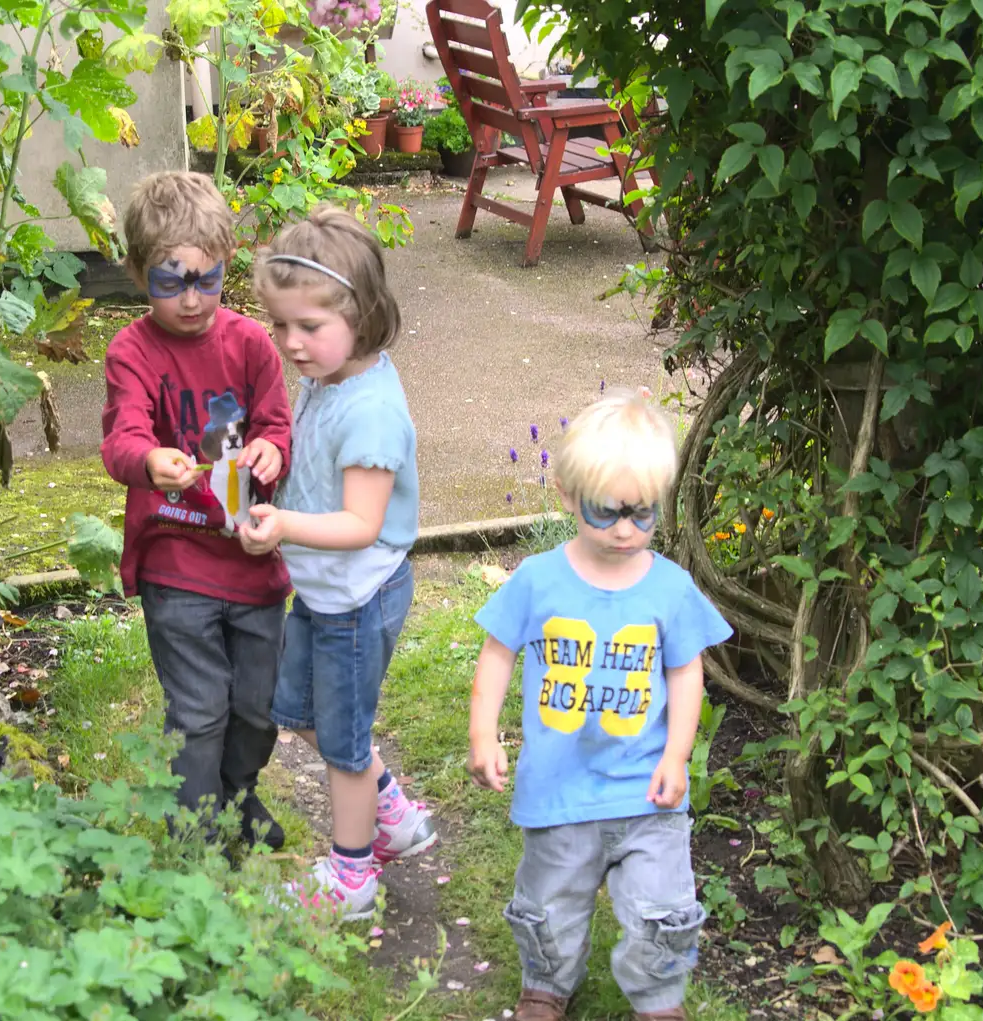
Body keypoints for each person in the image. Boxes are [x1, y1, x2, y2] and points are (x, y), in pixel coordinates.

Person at [466, 390, 732, 1021]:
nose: (624, 530)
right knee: (551, 901)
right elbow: (498, 654)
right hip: (561, 789)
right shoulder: (538, 579)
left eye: (642, 515)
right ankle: (546, 987)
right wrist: (483, 734)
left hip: (647, 795)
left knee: (658, 907)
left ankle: (660, 999)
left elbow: (687, 671)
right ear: (565, 493)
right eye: (607, 511)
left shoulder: (670, 587)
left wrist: (677, 753)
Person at [237, 206, 437, 921]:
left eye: (308, 327)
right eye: (281, 324)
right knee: (297, 709)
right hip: (321, 592)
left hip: (356, 599)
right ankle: (395, 815)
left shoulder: (371, 411)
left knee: (344, 745)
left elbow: (360, 523)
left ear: (363, 313)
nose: (291, 343)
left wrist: (285, 522)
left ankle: (352, 877)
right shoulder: (329, 376)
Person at [100, 171, 292, 850]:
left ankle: (238, 795)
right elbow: (122, 437)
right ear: (136, 272)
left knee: (257, 707)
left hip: (250, 555)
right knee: (200, 708)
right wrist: (149, 460)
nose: (190, 298)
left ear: (226, 266)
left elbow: (276, 425)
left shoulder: (251, 345)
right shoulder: (132, 352)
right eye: (170, 281)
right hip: (176, 559)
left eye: (206, 281)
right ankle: (198, 833)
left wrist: (270, 450)